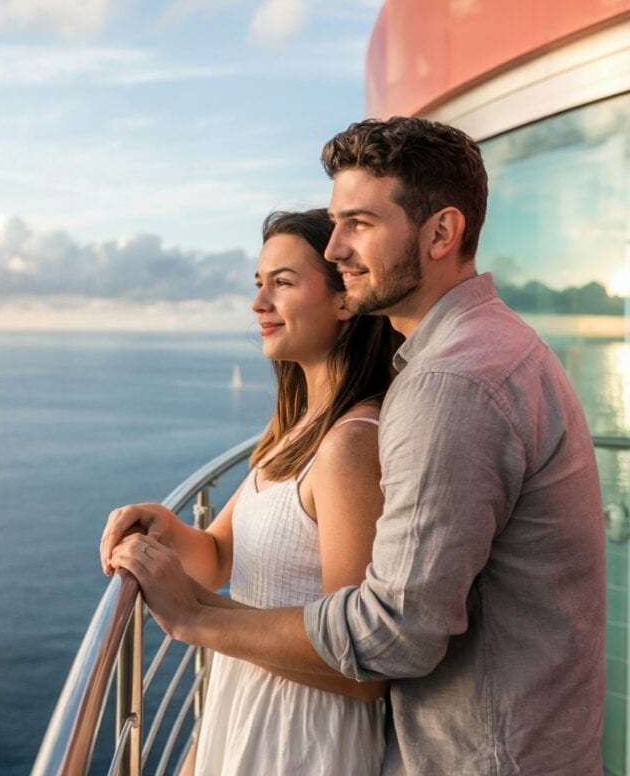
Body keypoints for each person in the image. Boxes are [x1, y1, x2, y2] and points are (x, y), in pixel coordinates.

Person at [108, 117, 606, 775]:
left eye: (361, 223)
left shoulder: (449, 383)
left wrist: (195, 616)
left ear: (440, 233)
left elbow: (392, 636)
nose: (338, 248)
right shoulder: (480, 354)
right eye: (337, 223)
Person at [101, 208, 402, 774]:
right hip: (248, 707)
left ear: (345, 300)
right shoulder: (296, 429)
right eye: (259, 284)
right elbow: (215, 558)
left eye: (283, 283)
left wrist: (191, 615)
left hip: (301, 738)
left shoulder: (351, 447)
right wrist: (165, 526)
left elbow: (358, 670)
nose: (258, 303)